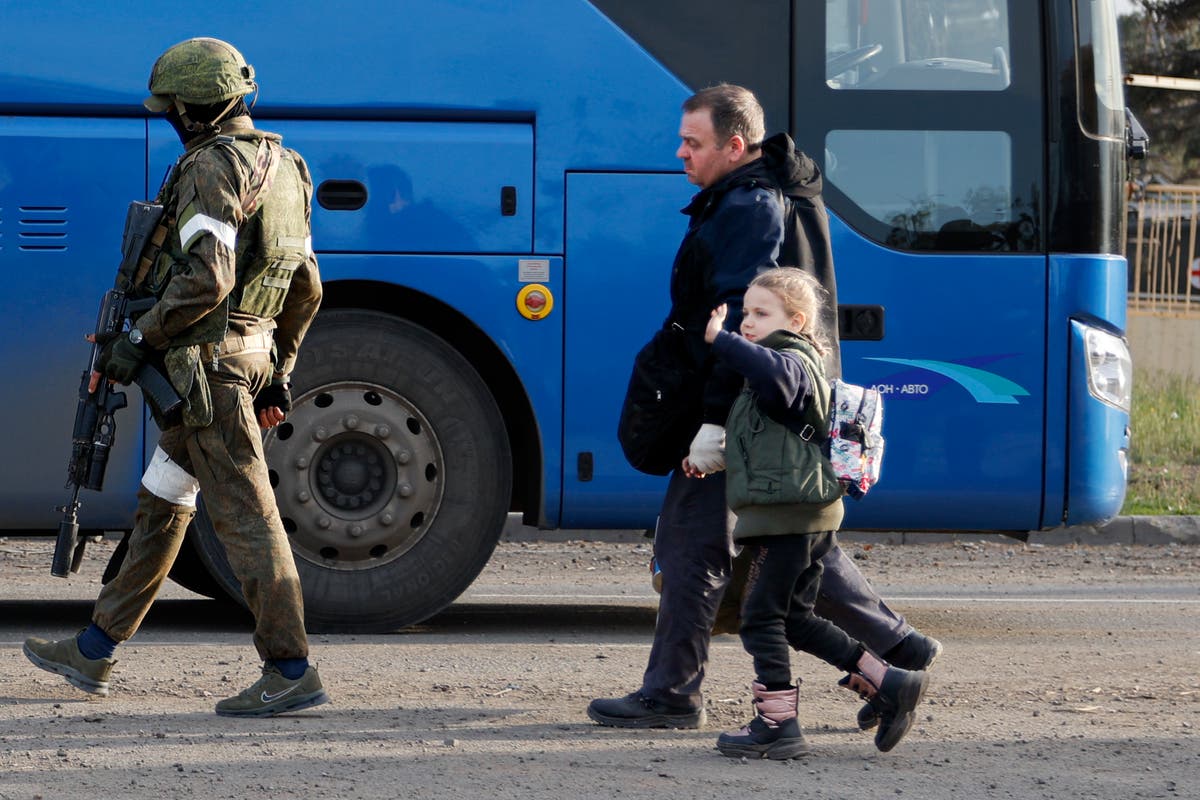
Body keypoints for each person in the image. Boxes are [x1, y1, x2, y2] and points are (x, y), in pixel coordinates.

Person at [588, 84, 939, 730]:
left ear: (735, 145)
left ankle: (674, 694)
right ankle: (900, 650)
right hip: (766, 408)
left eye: (693, 143)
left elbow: (739, 323)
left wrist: (716, 423)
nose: (680, 154)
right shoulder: (757, 196)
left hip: (750, 409)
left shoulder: (750, 209)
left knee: (696, 542)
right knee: (791, 539)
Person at [23, 37, 328, 717]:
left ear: (193, 111)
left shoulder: (210, 168)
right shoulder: (288, 166)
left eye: (173, 109)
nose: (169, 119)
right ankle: (95, 649)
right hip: (244, 362)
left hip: (208, 372)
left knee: (247, 519)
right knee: (163, 501)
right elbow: (306, 286)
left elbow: (208, 279)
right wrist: (279, 371)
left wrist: (137, 338)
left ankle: (290, 669)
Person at [701, 268, 927, 758]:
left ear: (798, 322)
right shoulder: (774, 364)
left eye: (762, 313)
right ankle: (889, 683)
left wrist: (721, 340)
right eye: (745, 313)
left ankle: (777, 724)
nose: (747, 322)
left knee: (760, 618)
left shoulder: (793, 359)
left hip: (790, 518)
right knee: (796, 619)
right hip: (795, 513)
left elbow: (778, 378)